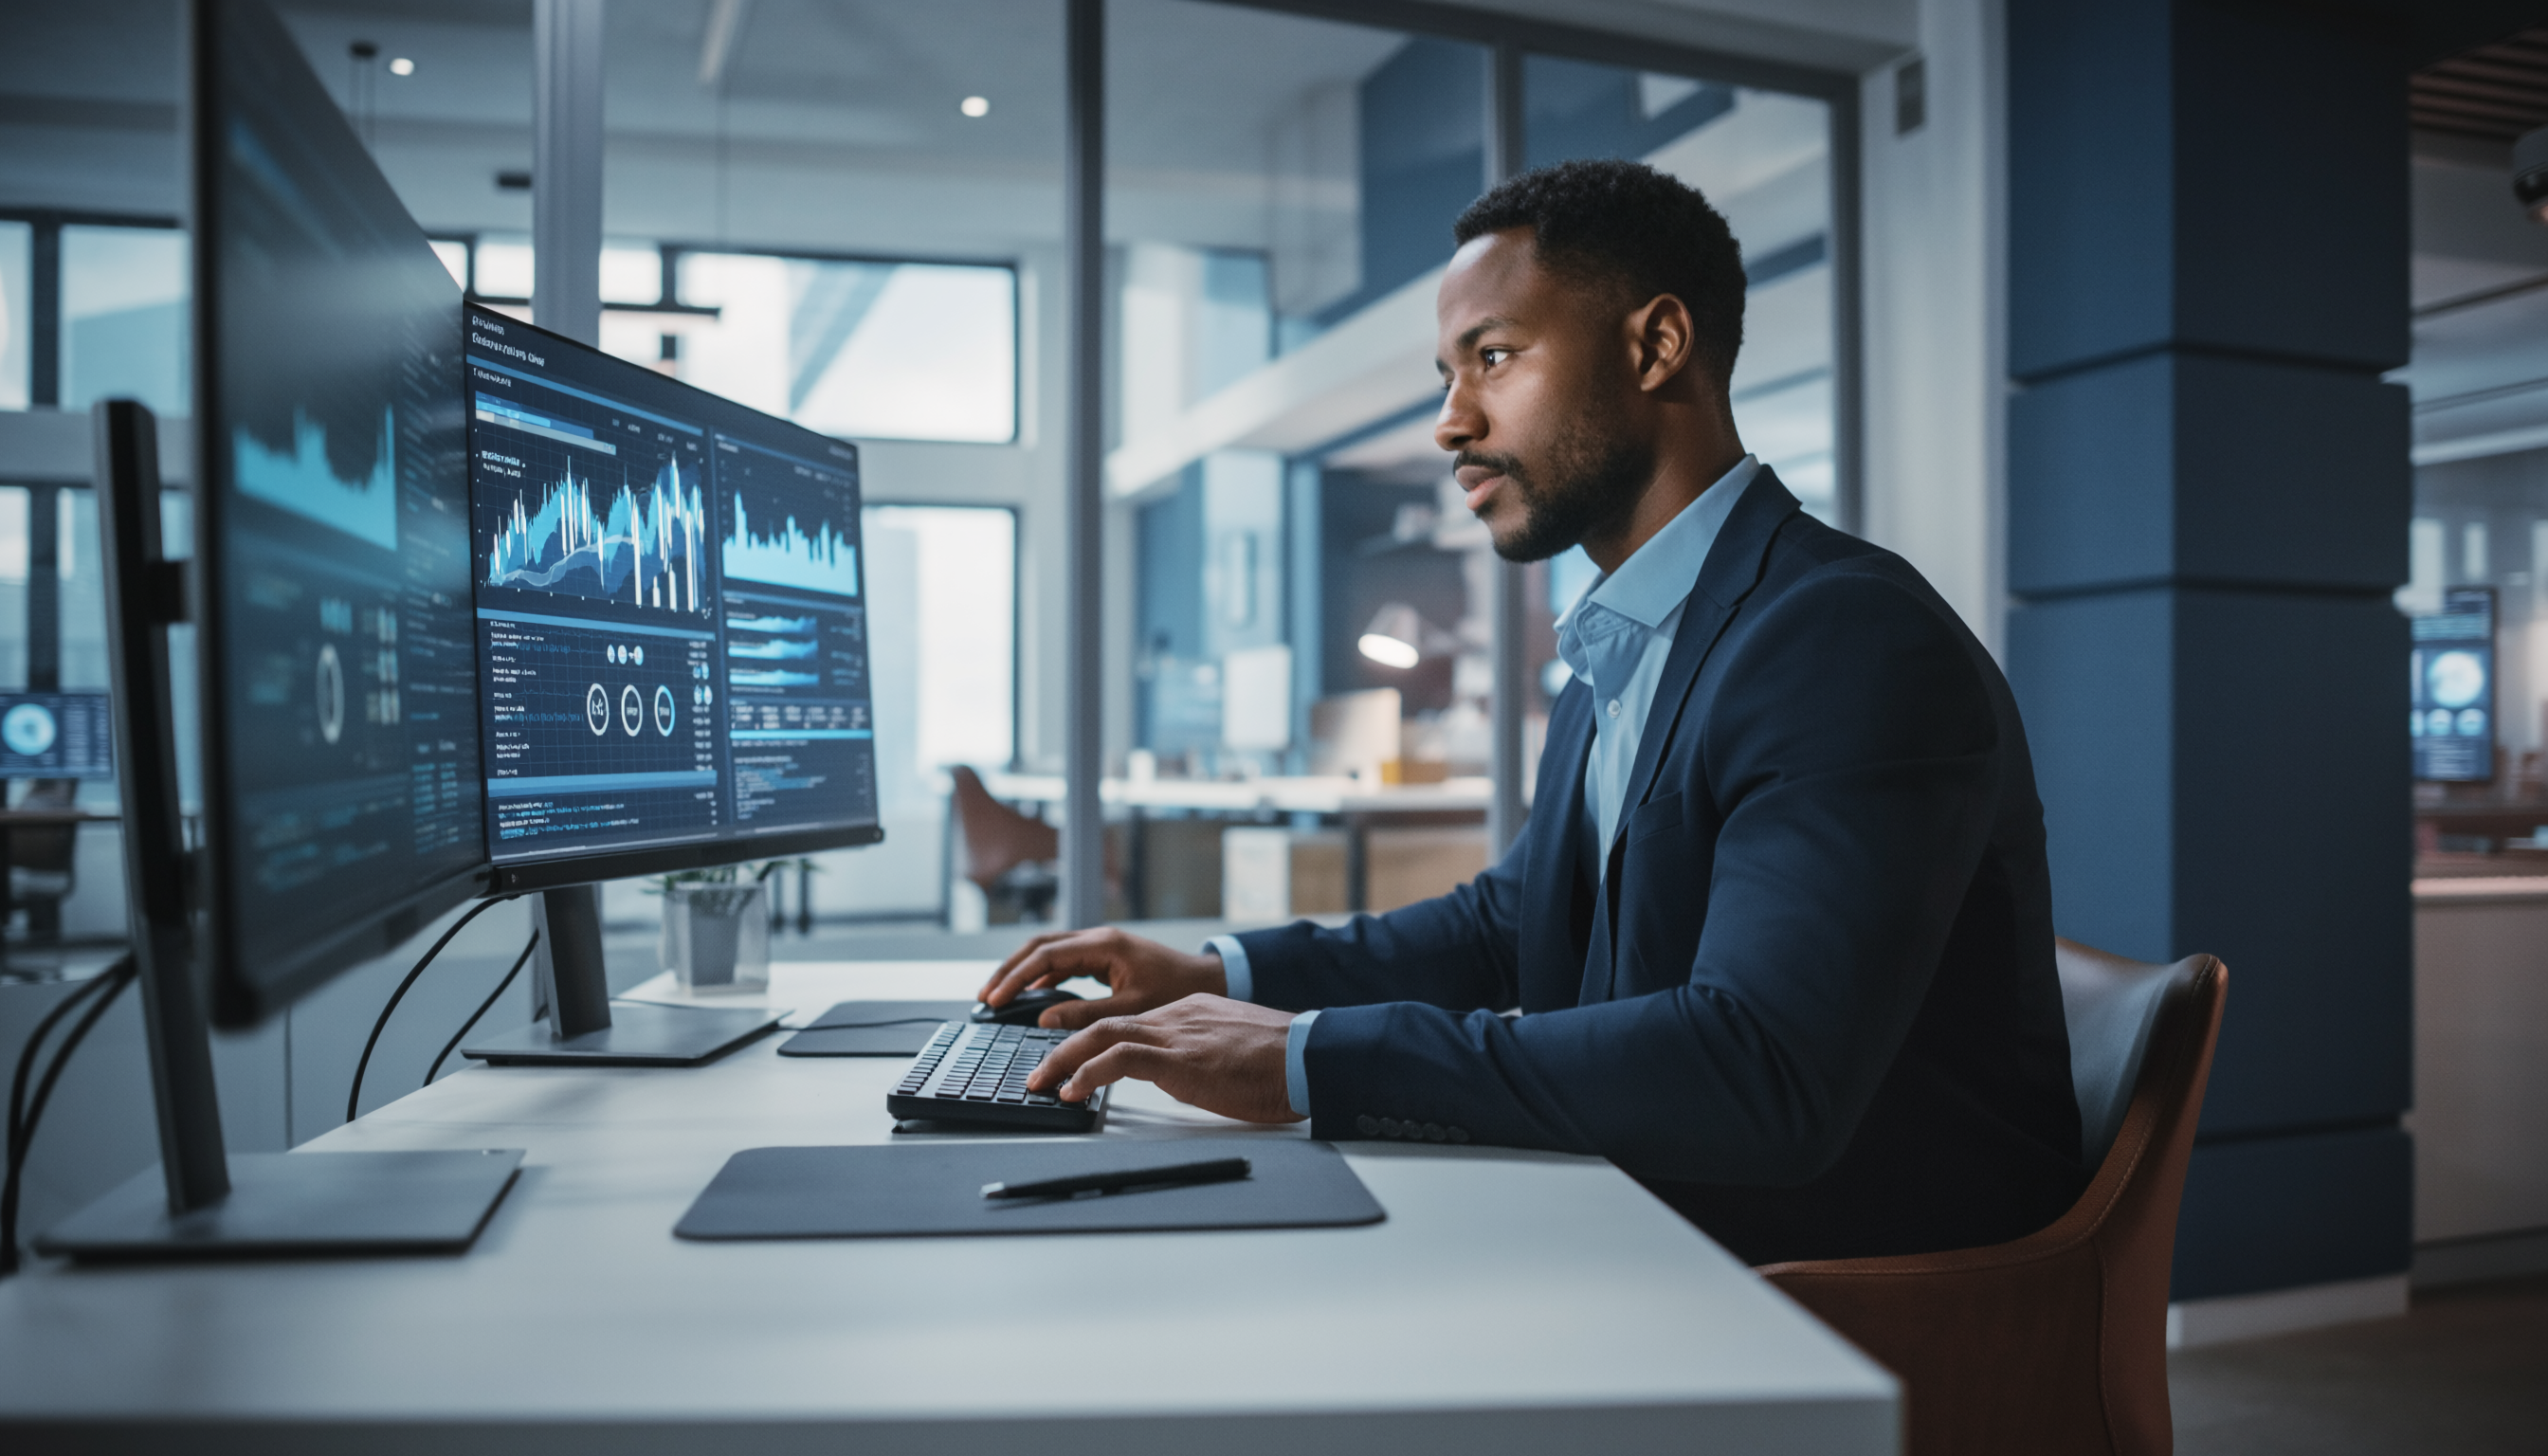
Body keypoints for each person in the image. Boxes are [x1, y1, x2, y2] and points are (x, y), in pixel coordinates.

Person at [983, 158, 2083, 1265]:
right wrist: (1216, 974)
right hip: (1656, 1216)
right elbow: (1510, 924)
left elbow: (1761, 1069)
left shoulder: (1838, 638)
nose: (1450, 423)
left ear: (1656, 346)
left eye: (1494, 358)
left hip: (1861, 1292)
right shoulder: (1629, 641)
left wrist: (1308, 1056)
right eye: (1447, 373)